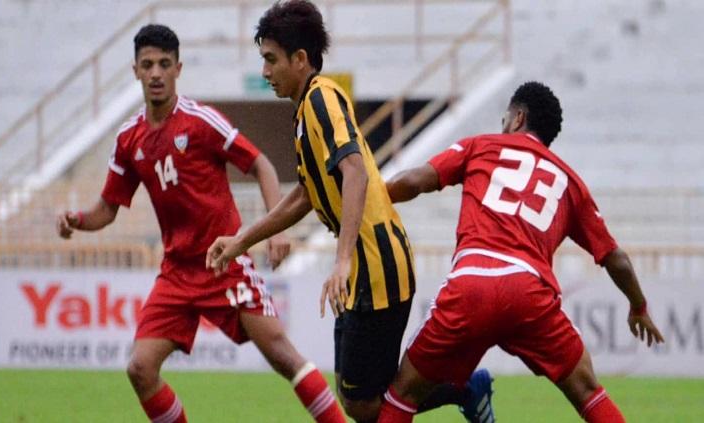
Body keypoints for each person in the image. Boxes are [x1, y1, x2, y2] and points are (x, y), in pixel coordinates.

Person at [206, 2, 494, 422]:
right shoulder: (305, 110)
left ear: (300, 59)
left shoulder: (322, 97)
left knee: (364, 403)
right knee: (359, 398)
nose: (265, 71)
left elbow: (355, 169)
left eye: (271, 59)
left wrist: (342, 259)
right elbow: (306, 196)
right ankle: (462, 387)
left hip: (377, 267)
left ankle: (466, 387)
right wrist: (242, 241)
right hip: (362, 269)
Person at [56, 24, 345, 423]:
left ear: (178, 69)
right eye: (147, 65)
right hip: (176, 272)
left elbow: (259, 162)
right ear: (135, 72)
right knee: (140, 368)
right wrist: (78, 220)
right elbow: (107, 209)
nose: (156, 72)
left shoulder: (199, 121)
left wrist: (274, 229)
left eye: (164, 64)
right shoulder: (129, 138)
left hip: (224, 260)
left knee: (283, 356)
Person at [377, 81, 666, 423]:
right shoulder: (569, 182)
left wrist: (366, 202)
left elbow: (412, 182)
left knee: (404, 393)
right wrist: (639, 306)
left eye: (505, 119)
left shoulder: (481, 146)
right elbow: (614, 258)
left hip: (472, 284)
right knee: (588, 390)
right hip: (530, 293)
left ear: (518, 117)